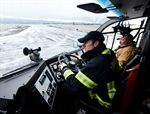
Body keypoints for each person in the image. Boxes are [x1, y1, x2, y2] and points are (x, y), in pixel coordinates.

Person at [59, 31, 120, 114]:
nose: (83, 45)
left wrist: (64, 68)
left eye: (86, 42)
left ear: (96, 43)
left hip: (104, 102)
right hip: (112, 94)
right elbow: (97, 60)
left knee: (66, 86)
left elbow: (74, 85)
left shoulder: (98, 63)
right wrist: (84, 59)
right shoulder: (108, 52)